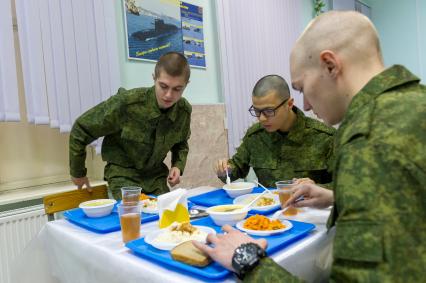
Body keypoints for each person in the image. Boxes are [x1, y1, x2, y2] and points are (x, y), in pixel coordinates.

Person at [194, 11, 426, 282]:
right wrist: (336, 195)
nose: (305, 105)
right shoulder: (412, 106)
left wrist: (247, 260)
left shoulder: (370, 137)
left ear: (330, 65)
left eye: (302, 88)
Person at [69, 52, 192, 199]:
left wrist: (177, 165)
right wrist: (78, 172)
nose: (169, 95)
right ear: (154, 78)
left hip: (156, 179)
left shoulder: (183, 111)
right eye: (163, 86)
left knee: (168, 217)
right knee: (133, 218)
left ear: (186, 85)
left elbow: (181, 143)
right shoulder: (127, 103)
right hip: (123, 177)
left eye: (177, 89)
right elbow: (81, 128)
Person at [214, 75, 335, 188]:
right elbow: (236, 169)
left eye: (269, 111)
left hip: (310, 207)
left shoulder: (324, 137)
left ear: (289, 104)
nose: (261, 118)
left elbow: (346, 187)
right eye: (257, 111)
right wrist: (225, 169)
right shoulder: (255, 136)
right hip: (266, 207)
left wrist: (316, 187)